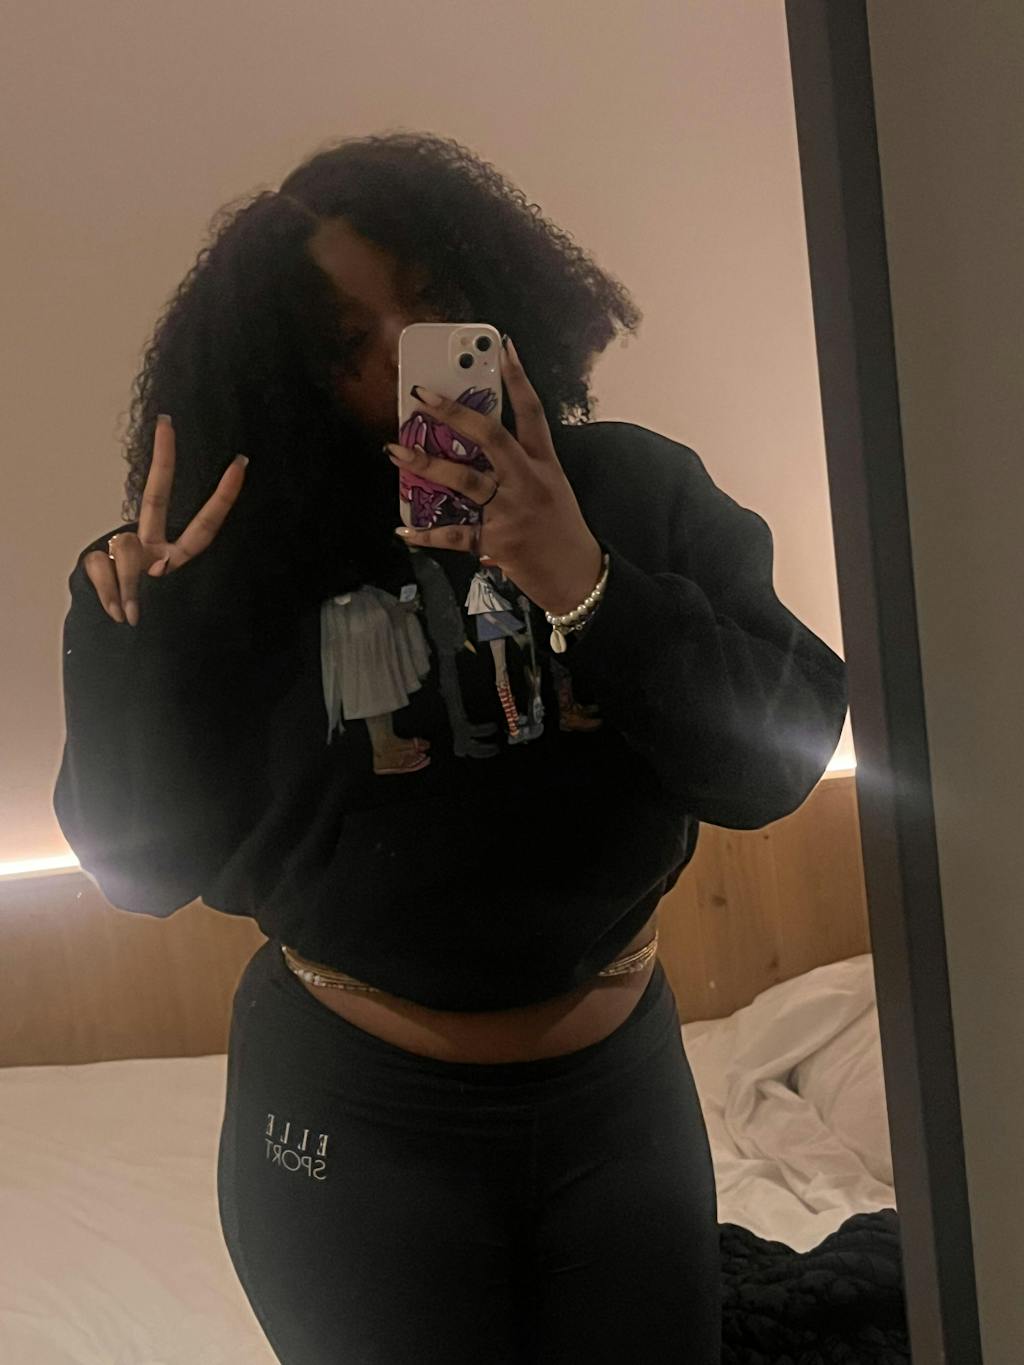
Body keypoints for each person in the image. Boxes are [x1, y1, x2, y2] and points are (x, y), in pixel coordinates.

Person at [53, 131, 848, 1364]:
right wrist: (142, 650)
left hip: (619, 1098)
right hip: (352, 1119)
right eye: (342, 340)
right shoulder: (232, 562)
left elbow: (774, 767)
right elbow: (143, 875)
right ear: (286, 369)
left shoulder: (635, 493)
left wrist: (585, 582)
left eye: (429, 305)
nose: (399, 355)